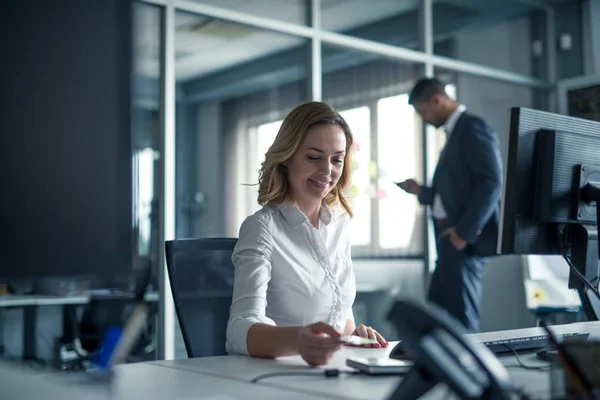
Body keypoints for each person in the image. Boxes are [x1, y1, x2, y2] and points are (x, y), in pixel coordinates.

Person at [226, 101, 388, 366]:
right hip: (279, 378)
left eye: (337, 159)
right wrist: (298, 340)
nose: (327, 171)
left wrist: (353, 335)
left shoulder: (339, 224)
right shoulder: (262, 228)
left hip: (334, 372)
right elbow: (238, 329)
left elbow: (338, 314)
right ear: (287, 157)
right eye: (313, 157)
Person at [398, 78, 502, 333]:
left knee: (461, 319)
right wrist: (422, 191)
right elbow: (455, 191)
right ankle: (433, 369)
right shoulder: (455, 132)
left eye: (423, 112)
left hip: (461, 240)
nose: (424, 119)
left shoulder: (472, 128)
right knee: (435, 314)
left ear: (437, 100)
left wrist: (464, 233)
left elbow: (491, 182)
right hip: (449, 239)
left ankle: (470, 370)